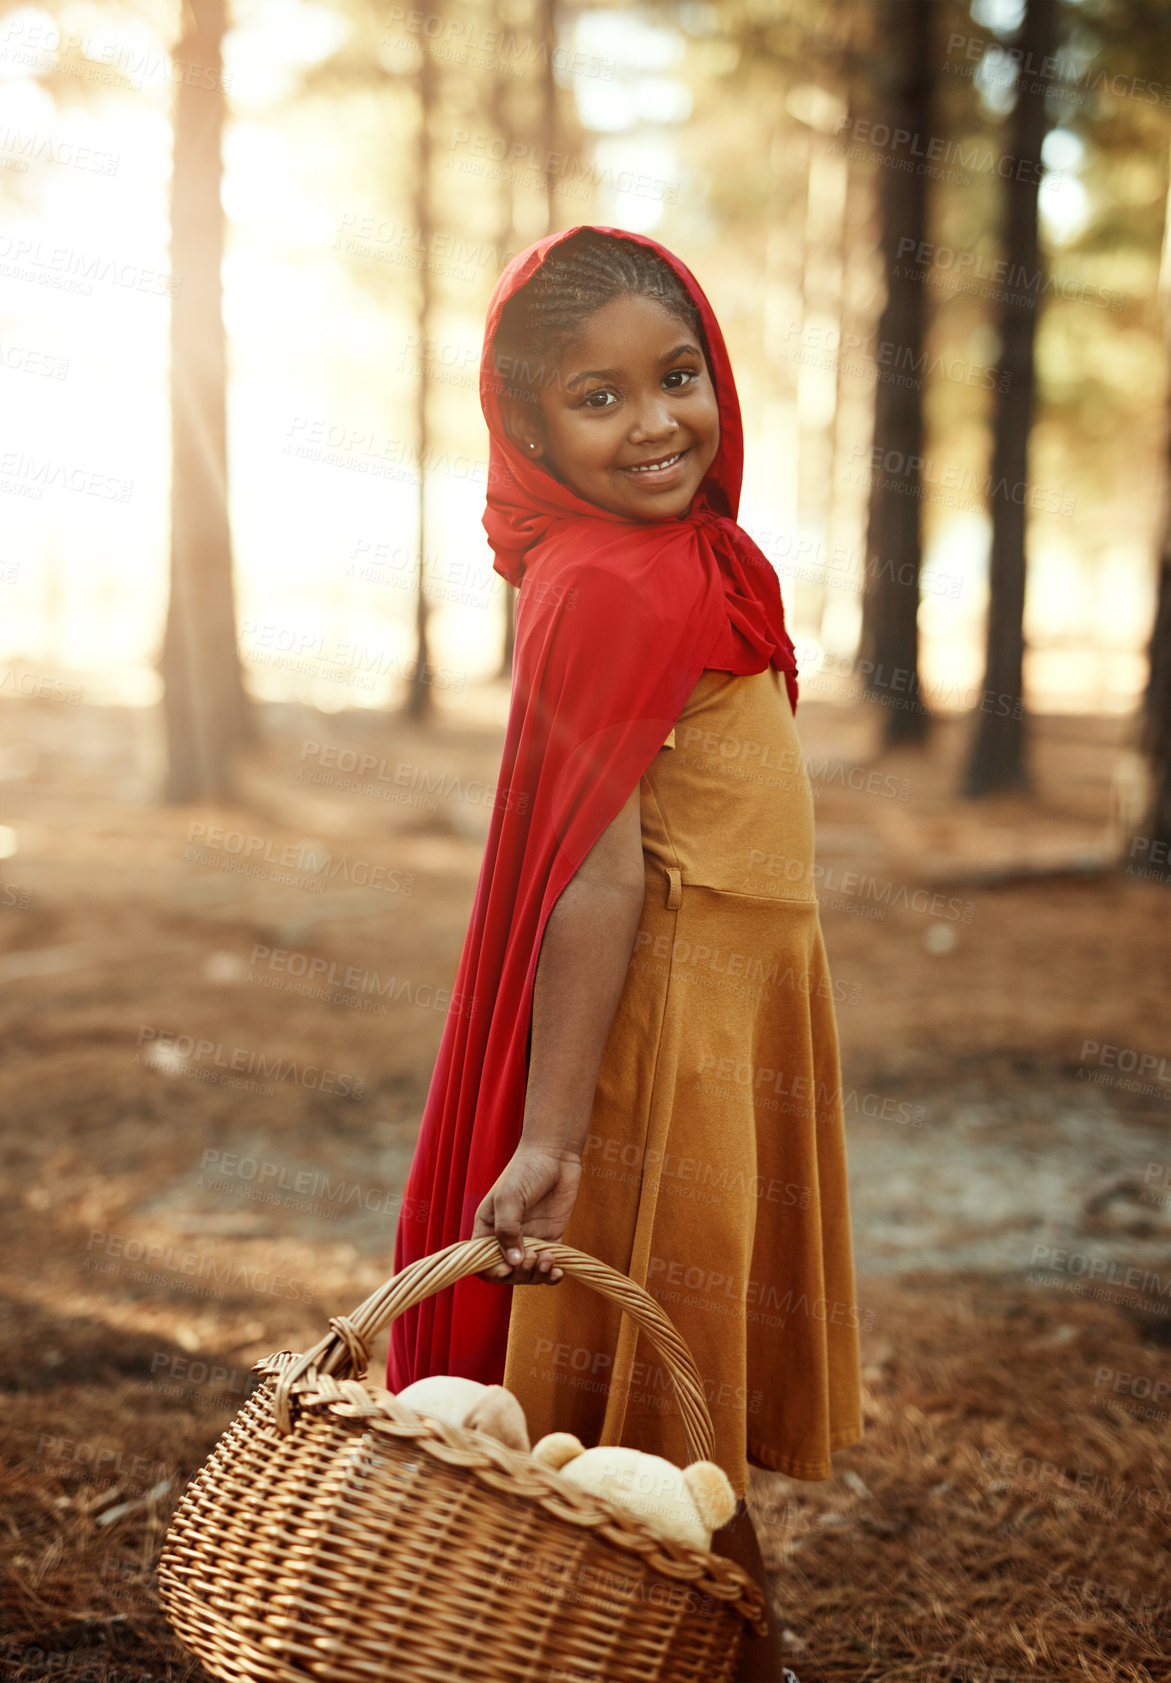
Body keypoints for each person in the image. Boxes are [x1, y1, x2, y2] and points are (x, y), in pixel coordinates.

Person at [386, 224, 863, 1683]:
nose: (658, 422)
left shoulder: (702, 554)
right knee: (646, 1388)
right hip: (665, 1027)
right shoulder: (601, 581)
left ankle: (724, 1648)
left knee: (690, 1365)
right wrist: (553, 1132)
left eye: (678, 375)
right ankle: (715, 1653)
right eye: (597, 399)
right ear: (528, 423)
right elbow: (587, 877)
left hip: (745, 1012)